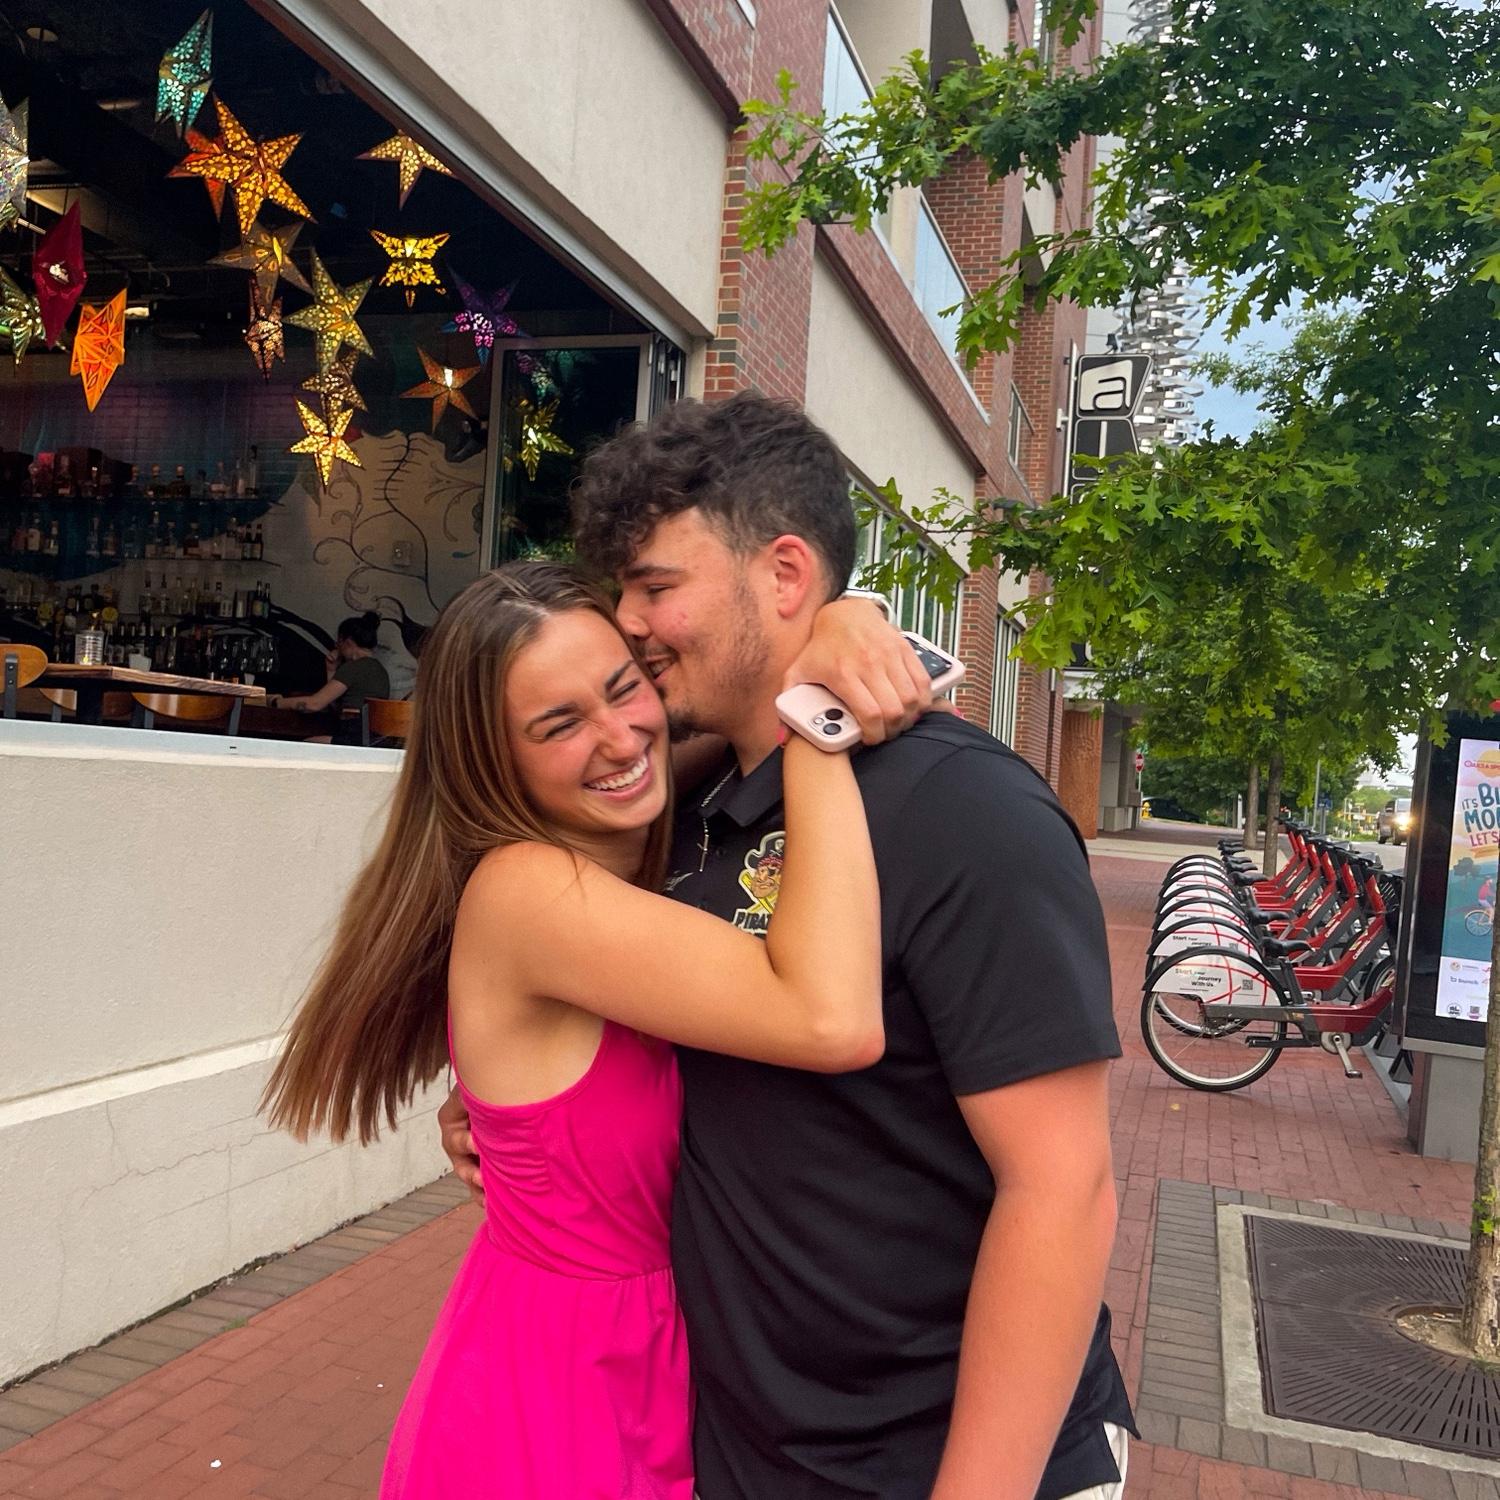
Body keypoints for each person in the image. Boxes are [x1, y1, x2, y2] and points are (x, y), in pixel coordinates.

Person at [442, 392, 1135, 1500]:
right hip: (743, 1453)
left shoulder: (965, 810)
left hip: (934, 1461)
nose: (628, 622)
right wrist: (516, 1116)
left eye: (654, 586)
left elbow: (1064, 1189)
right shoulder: (689, 806)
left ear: (785, 574)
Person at [261, 561, 922, 1498]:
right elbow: (832, 1018)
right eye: (558, 724)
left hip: (634, 1360)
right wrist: (818, 716)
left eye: (625, 687)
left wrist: (845, 617)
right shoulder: (527, 891)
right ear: (493, 761)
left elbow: (707, 732)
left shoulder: (613, 837)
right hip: (553, 1398)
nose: (619, 737)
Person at [272, 610, 391, 726]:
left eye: (339, 642)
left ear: (348, 642)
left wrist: (275, 702)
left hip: (351, 733)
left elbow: (314, 704)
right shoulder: (381, 671)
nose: (336, 647)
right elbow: (336, 707)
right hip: (368, 736)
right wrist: (331, 670)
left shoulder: (353, 668)